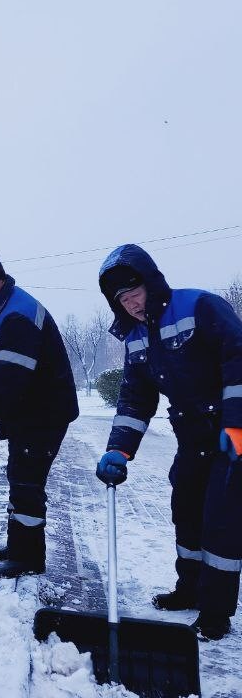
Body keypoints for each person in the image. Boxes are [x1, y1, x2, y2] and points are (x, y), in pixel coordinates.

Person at [95, 244, 242, 641]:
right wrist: (118, 449)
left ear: (151, 283)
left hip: (231, 436)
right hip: (192, 437)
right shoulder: (136, 337)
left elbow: (238, 358)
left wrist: (236, 424)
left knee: (221, 523)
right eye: (122, 300)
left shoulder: (200, 307)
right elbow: (135, 398)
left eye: (134, 293)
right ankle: (189, 590)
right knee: (187, 510)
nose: (131, 304)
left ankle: (216, 612)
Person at [0, 246, 80, 579]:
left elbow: (7, 380)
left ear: (0, 280)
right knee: (19, 476)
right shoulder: (1, 311)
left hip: (43, 413)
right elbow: (0, 378)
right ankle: (19, 546)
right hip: (29, 412)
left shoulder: (17, 315)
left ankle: (29, 558)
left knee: (27, 482)